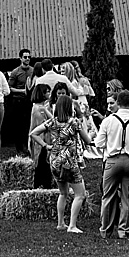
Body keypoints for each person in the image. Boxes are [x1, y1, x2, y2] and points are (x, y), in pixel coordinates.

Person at [94, 90, 129, 238]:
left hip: (112, 160)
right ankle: (123, 230)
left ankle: (105, 230)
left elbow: (98, 143)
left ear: (117, 102)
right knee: (127, 198)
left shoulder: (108, 121)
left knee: (108, 196)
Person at [44, 93, 94, 232]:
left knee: (63, 193)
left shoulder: (52, 122)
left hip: (54, 160)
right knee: (80, 194)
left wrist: (45, 145)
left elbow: (34, 133)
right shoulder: (74, 123)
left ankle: (60, 223)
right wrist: (93, 134)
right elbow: (88, 140)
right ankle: (72, 225)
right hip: (69, 161)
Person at [4, 53, 34, 156]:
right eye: (25, 57)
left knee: (28, 124)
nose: (27, 59)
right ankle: (19, 147)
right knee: (18, 126)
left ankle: (27, 146)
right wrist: (22, 91)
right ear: (20, 58)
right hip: (18, 101)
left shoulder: (32, 70)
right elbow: (9, 88)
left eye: (29, 57)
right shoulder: (15, 72)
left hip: (30, 102)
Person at [28, 83, 56, 188]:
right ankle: (43, 185)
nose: (49, 93)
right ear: (42, 94)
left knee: (43, 165)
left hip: (41, 140)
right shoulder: (39, 109)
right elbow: (48, 123)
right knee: (42, 165)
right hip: (41, 141)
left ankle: (42, 184)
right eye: (47, 92)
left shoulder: (39, 107)